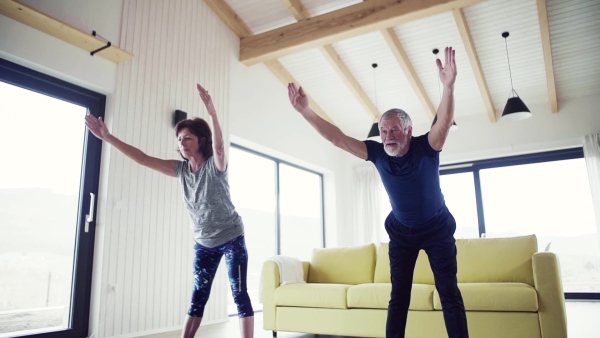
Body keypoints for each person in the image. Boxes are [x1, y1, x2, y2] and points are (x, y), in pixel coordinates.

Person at [287, 47, 468, 338]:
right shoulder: (377, 153)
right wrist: (305, 111)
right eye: (383, 131)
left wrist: (448, 87)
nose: (387, 136)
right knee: (399, 297)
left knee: (449, 293)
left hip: (437, 229)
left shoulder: (426, 147)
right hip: (401, 234)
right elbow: (338, 139)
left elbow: (444, 123)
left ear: (408, 130)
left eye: (394, 130)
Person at [85, 84, 254, 338]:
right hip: (204, 243)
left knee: (239, 293)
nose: (182, 142)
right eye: (179, 139)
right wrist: (107, 137)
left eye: (188, 138)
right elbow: (142, 158)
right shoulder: (181, 170)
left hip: (232, 238)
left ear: (201, 141)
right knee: (198, 297)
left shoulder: (214, 166)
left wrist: (213, 113)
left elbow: (220, 149)